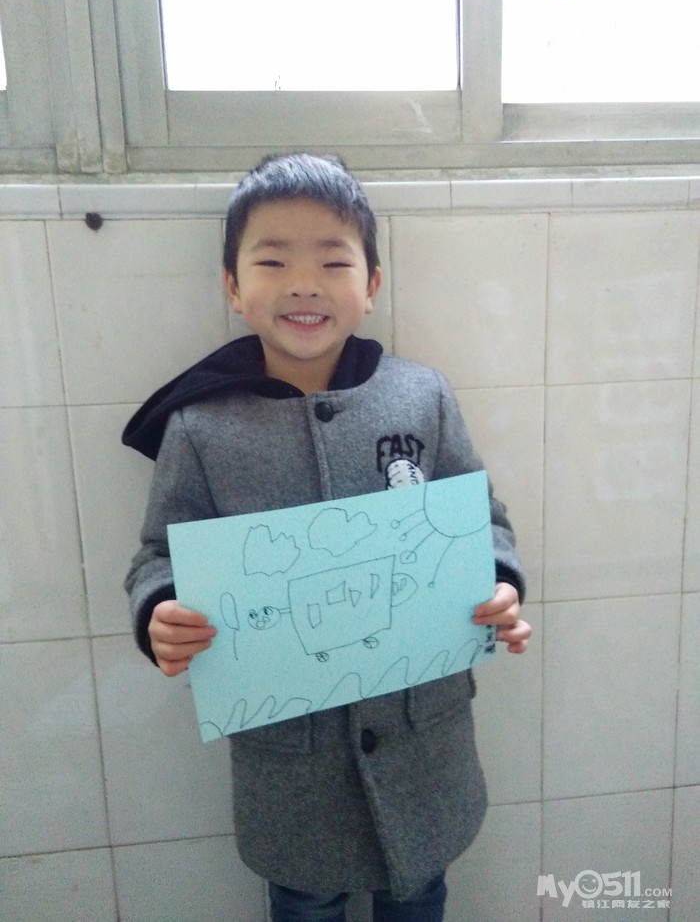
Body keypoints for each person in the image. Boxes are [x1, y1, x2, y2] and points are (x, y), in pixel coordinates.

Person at [123, 153, 531, 922]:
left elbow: (481, 519)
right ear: (233, 286)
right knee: (305, 902)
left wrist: (500, 582)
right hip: (293, 763)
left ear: (371, 284)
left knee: (420, 894)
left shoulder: (421, 396)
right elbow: (159, 555)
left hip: (422, 741)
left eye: (333, 262)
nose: (304, 283)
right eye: (273, 261)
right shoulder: (201, 426)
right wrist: (162, 610)